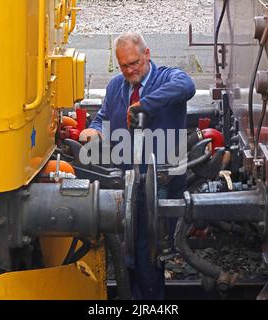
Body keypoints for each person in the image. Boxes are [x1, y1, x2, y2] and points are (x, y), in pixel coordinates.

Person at [79, 31, 196, 300]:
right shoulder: (115, 87)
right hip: (127, 184)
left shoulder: (168, 78)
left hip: (160, 184)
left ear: (147, 54)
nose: (130, 70)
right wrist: (94, 130)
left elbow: (187, 86)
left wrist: (145, 105)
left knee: (149, 254)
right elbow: (103, 117)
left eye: (135, 63)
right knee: (127, 252)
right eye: (124, 66)